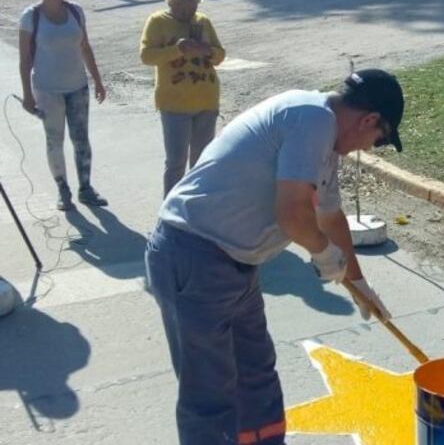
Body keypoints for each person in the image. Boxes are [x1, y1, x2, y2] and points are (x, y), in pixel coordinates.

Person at [145, 69, 404, 445]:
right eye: (377, 140)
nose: (367, 148)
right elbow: (294, 215)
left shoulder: (326, 142)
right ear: (369, 120)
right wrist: (323, 254)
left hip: (237, 263)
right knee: (210, 395)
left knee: (255, 378)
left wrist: (357, 282)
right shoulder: (312, 118)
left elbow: (329, 218)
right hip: (193, 254)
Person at [17, 0, 108, 211]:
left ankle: (86, 188)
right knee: (54, 140)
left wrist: (98, 80)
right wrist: (27, 95)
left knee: (81, 140)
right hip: (47, 91)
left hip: (77, 86)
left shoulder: (76, 11)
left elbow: (85, 47)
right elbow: (25, 61)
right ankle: (63, 189)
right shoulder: (30, 17)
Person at [140, 0, 226, 196]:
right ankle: (169, 212)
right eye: (184, 7)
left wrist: (207, 51)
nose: (189, 13)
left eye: (194, 6)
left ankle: (196, 210)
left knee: (202, 162)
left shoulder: (203, 21)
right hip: (174, 103)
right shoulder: (158, 21)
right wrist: (178, 49)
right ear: (171, 1)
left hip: (206, 100)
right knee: (176, 163)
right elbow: (147, 56)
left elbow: (220, 55)